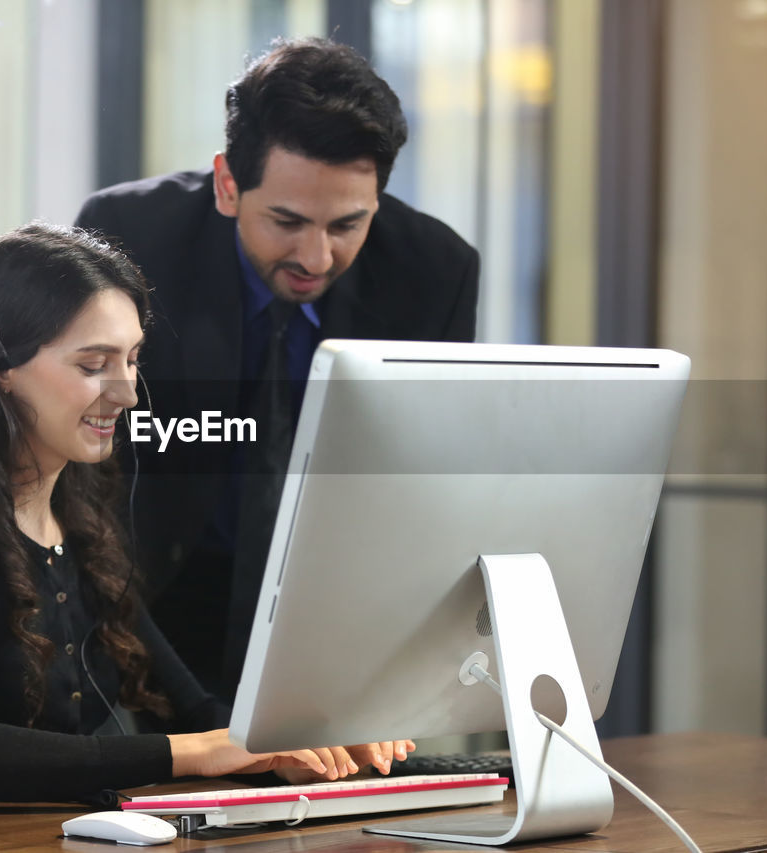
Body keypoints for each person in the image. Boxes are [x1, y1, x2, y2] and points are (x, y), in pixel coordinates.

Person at [0, 223, 412, 813]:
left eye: (131, 360)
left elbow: (199, 715)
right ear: (2, 366)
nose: (127, 393)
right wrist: (194, 753)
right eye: (92, 364)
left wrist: (301, 744)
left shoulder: (78, 513)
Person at [76, 37, 479, 701]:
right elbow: (85, 461)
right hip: (146, 599)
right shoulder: (129, 235)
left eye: (349, 223)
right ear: (229, 185)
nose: (316, 257)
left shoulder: (435, 272)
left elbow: (423, 482)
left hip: (337, 620)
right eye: (287, 221)